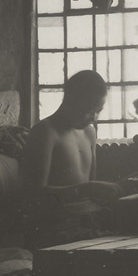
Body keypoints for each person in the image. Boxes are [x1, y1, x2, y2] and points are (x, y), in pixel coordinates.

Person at [20, 70, 123, 246]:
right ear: (70, 100)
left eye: (98, 111)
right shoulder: (45, 132)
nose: (93, 118)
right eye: (87, 111)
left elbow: (92, 190)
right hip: (56, 224)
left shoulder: (89, 132)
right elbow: (33, 196)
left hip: (90, 218)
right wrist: (86, 189)